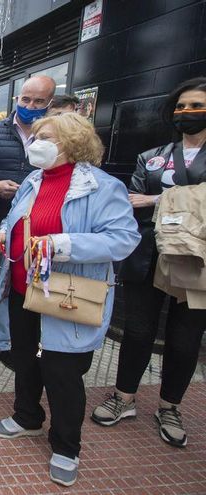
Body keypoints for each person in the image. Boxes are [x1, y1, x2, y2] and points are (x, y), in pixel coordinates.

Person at [0, 112, 139, 487]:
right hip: (22, 289)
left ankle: (66, 446)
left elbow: (124, 238)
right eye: (36, 135)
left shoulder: (101, 187)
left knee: (62, 373)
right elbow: (17, 220)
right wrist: (3, 234)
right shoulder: (34, 180)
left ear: (72, 142)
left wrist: (64, 245)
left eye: (46, 136)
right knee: (25, 359)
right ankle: (27, 417)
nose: (36, 142)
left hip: (65, 296)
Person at [91, 77, 206, 448]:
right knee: (138, 331)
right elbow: (132, 198)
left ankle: (169, 406)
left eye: (196, 106)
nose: (187, 113)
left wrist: (159, 200)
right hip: (149, 252)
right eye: (182, 106)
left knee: (185, 339)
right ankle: (123, 397)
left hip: (194, 256)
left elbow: (147, 199)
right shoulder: (153, 155)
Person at [0, 75, 57, 370]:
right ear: (17, 99)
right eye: (25, 99)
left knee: (9, 285)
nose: (30, 106)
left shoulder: (52, 137)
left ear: (50, 103)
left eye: (38, 101)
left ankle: (1, 342)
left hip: (29, 227)